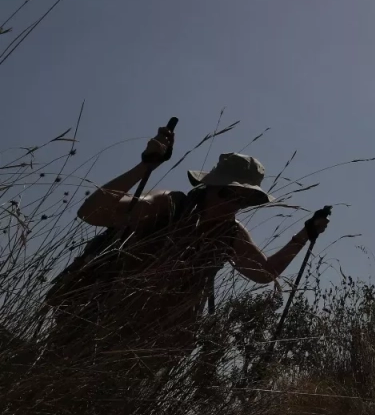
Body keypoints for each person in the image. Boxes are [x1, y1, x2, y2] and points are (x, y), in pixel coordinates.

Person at [50, 130, 330, 357]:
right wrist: (146, 166)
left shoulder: (229, 233)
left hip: (153, 348)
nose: (235, 204)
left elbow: (263, 273)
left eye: (244, 199)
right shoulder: (168, 205)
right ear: (209, 185)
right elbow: (92, 213)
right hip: (93, 323)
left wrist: (304, 235)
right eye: (228, 194)